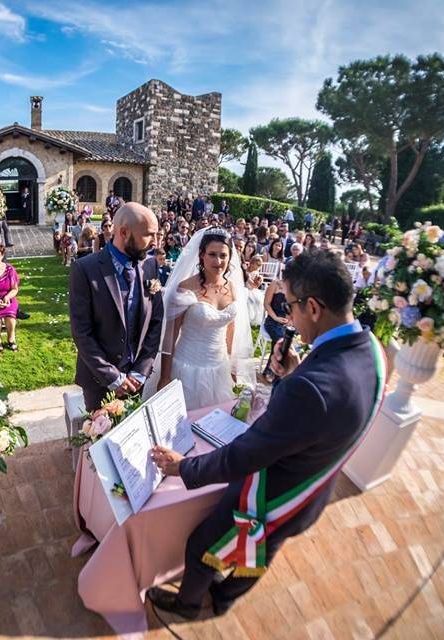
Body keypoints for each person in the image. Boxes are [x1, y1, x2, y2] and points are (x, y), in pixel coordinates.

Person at [147, 249, 386, 619]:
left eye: (288, 304)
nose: (287, 315)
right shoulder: (372, 351)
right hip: (314, 490)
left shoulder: (309, 390)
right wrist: (295, 373)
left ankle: (189, 603)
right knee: (264, 551)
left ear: (314, 309)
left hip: (276, 495)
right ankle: (224, 600)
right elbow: (329, 410)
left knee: (201, 546)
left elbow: (243, 456)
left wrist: (183, 468)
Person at [69, 203, 165, 411]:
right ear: (123, 232)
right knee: (99, 441)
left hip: (137, 380)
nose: (155, 243)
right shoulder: (85, 269)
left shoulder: (150, 265)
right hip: (99, 382)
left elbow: (156, 322)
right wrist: (113, 377)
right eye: (149, 235)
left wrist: (140, 371)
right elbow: (81, 332)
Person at [151, 228, 253, 410]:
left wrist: (231, 368)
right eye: (212, 254)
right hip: (187, 368)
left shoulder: (233, 287)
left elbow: (230, 330)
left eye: (223, 255)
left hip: (219, 369)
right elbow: (170, 335)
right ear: (201, 255)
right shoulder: (186, 287)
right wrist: (165, 376)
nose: (218, 261)